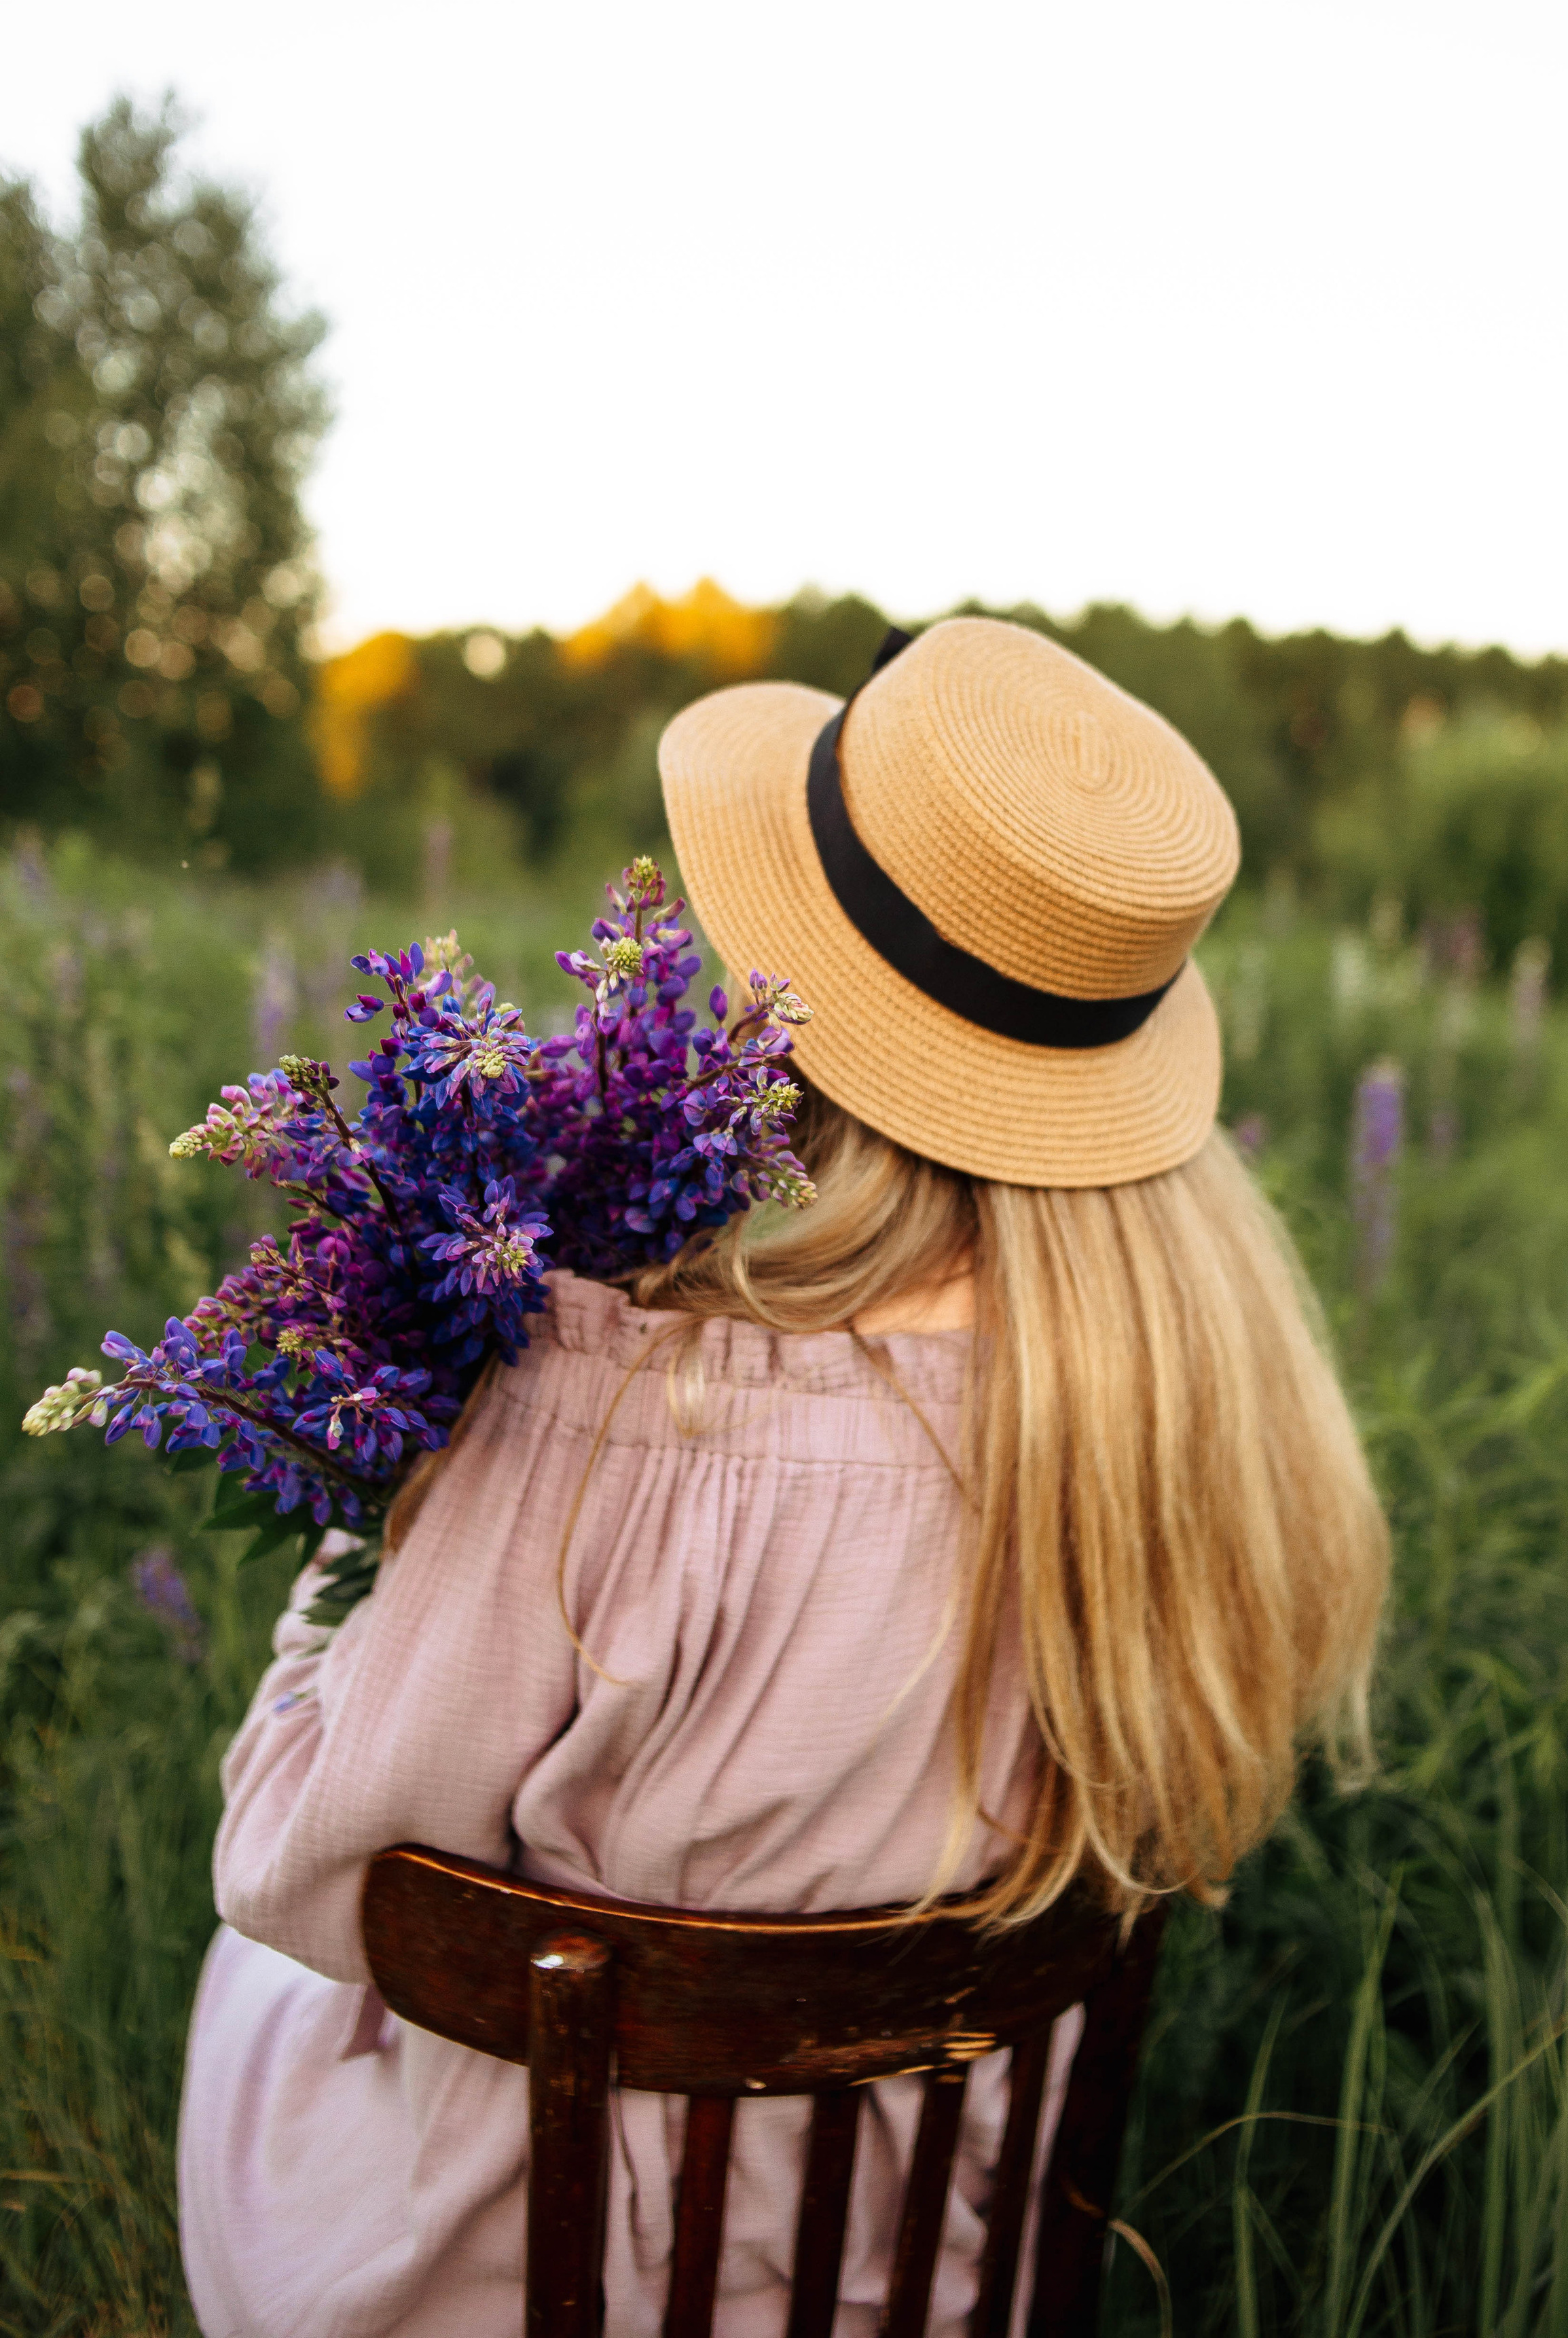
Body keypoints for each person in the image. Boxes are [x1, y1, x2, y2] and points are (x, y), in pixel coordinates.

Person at [178, 616, 1389, 2338]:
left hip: (525, 2285)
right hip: (927, 2276)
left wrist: (351, 1555)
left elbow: (311, 1879)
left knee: (253, 1968)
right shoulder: (1192, 1418)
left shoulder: (600, 1408)